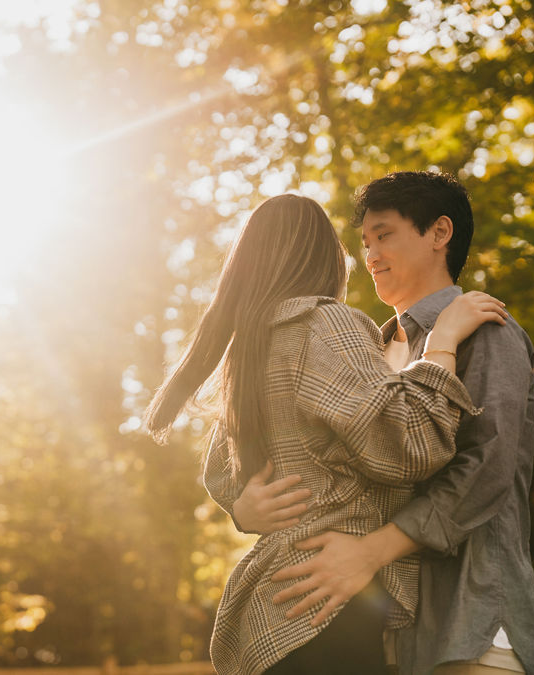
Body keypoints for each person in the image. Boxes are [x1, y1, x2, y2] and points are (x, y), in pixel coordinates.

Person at [143, 193, 508, 675]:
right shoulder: (323, 323)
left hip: (276, 609)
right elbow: (412, 448)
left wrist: (241, 505)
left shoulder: (250, 347)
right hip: (327, 604)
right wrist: (441, 343)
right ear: (322, 254)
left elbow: (222, 473)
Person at [256, 172, 534, 674]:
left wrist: (371, 552)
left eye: (384, 234)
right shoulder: (364, 350)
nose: (369, 253)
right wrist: (249, 502)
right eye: (364, 241)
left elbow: (488, 471)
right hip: (386, 636)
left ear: (439, 233)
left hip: (472, 628)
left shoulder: (486, 331)